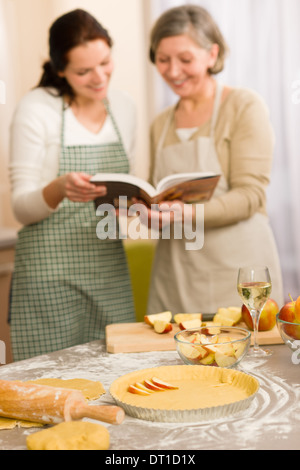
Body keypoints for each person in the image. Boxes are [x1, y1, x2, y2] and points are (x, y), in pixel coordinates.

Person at [9, 9, 136, 361]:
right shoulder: (37, 108)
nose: (99, 77)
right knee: (51, 389)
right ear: (60, 69)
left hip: (109, 273)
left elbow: (125, 191)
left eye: (105, 62)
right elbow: (20, 207)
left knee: (119, 376)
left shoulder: (124, 108)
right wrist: (60, 188)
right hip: (49, 280)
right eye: (83, 71)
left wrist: (140, 205)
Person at [146, 5, 284, 315]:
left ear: (212, 54)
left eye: (185, 59)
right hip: (175, 278)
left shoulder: (243, 106)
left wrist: (184, 214)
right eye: (163, 59)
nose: (173, 71)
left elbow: (251, 195)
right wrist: (145, 213)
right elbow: (157, 197)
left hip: (238, 276)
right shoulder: (161, 123)